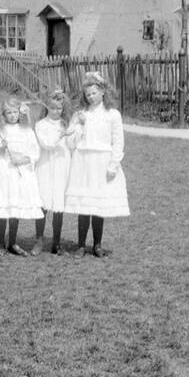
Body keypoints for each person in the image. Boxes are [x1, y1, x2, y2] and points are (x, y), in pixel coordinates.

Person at [63, 72, 130, 257]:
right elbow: (70, 142)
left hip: (102, 162)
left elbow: (118, 142)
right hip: (83, 162)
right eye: (88, 94)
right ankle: (81, 245)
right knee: (84, 205)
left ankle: (97, 245)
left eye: (94, 93)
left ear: (102, 92)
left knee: (99, 205)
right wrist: (79, 126)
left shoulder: (113, 115)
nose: (91, 97)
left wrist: (113, 165)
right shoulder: (80, 114)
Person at [0, 97, 42, 257]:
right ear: (4, 114)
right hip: (2, 172)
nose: (12, 115)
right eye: (9, 112)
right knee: (3, 206)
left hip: (19, 172)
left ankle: (12, 242)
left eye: (15, 112)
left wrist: (22, 159)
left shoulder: (27, 131)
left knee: (15, 206)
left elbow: (34, 151)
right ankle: (1, 241)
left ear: (19, 113)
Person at [34, 89, 72, 255]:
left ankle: (56, 242)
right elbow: (46, 144)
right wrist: (60, 136)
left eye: (60, 109)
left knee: (58, 204)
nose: (56, 111)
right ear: (47, 107)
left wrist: (76, 131)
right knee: (43, 203)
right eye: (53, 108)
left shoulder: (66, 124)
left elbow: (72, 144)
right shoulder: (40, 125)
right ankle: (39, 240)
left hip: (62, 165)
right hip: (45, 166)